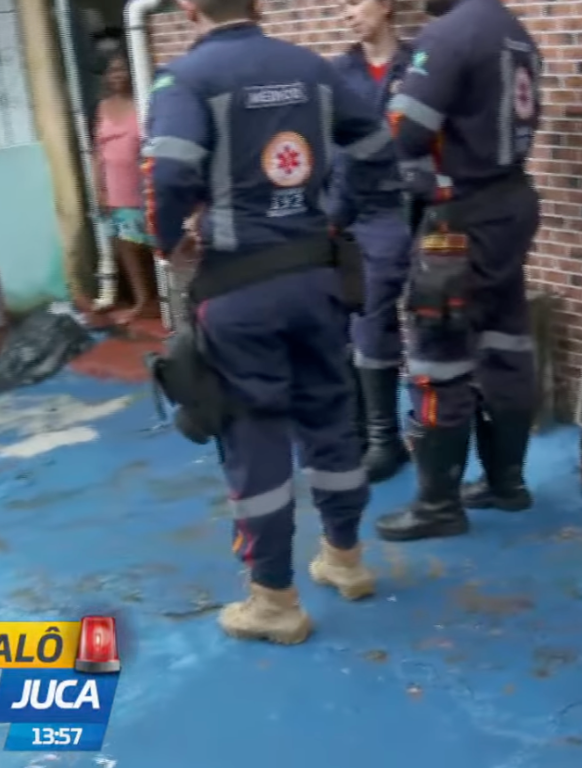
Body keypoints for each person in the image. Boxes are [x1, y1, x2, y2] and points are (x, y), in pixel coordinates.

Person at [142, 0, 403, 644]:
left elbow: (169, 174)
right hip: (317, 280)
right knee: (330, 415)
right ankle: (345, 560)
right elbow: (374, 146)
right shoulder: (312, 69)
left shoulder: (185, 80)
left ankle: (275, 600)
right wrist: (333, 214)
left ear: (189, 7)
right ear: (257, 5)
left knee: (255, 435)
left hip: (238, 289)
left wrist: (168, 240)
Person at [374, 0, 542, 542]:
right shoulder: (517, 34)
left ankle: (437, 505)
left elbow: (404, 129)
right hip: (511, 203)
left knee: (438, 355)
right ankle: (507, 482)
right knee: (505, 341)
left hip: (458, 217)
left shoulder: (447, 36)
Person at [329, 0, 415, 483]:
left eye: (355, 3)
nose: (347, 14)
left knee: (377, 317)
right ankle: (362, 434)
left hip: (404, 206)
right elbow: (333, 149)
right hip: (352, 211)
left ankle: (385, 439)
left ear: (384, 6)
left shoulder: (418, 64)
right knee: (351, 319)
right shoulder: (338, 72)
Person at [94, 51, 159, 323]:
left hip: (143, 184)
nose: (117, 75)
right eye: (112, 71)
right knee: (125, 244)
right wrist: (99, 187)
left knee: (152, 240)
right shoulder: (103, 107)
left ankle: (163, 296)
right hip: (114, 185)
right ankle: (142, 299)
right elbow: (97, 151)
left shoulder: (144, 102)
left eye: (122, 69)